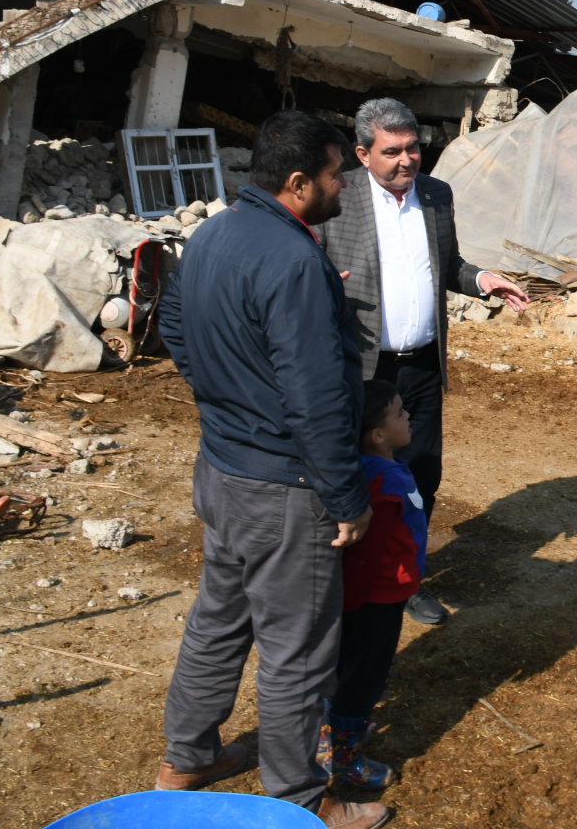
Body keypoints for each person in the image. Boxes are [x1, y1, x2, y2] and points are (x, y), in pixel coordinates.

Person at [156, 110, 388, 829]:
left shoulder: (214, 232)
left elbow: (171, 321)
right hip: (285, 489)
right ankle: (299, 798)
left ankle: (186, 757)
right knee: (298, 650)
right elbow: (317, 397)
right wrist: (346, 496)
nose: (344, 186)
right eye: (335, 175)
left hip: (223, 468)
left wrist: (224, 395)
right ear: (297, 183)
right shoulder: (294, 260)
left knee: (218, 620)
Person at [318, 97, 529, 625]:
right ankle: (334, 577)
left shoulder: (436, 194)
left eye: (413, 148)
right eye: (392, 151)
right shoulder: (337, 195)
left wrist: (483, 280)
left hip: (420, 368)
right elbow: (309, 265)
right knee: (347, 472)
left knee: (419, 474)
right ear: (363, 154)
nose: (406, 160)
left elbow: (448, 264)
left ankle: (406, 577)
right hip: (360, 368)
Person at [318, 378, 429, 790]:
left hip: (379, 594)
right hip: (376, 598)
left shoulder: (380, 470)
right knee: (364, 675)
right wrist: (357, 600)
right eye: (399, 413)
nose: (408, 416)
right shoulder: (383, 482)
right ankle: (343, 757)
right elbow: (368, 552)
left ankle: (336, 730)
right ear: (378, 434)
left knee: (354, 668)